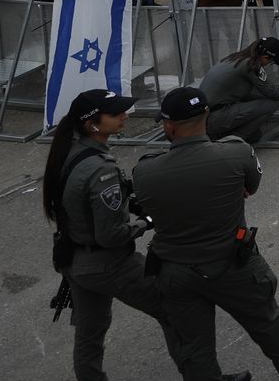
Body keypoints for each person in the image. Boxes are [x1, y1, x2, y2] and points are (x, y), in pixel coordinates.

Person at [133, 87, 279, 381]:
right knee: (265, 319)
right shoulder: (236, 152)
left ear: (168, 125)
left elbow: (146, 205)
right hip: (231, 262)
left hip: (176, 269)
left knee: (192, 342)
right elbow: (251, 186)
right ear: (207, 116)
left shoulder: (145, 172)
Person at [41, 89, 193, 381]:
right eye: (116, 113)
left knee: (90, 333)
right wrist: (145, 222)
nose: (124, 116)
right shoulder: (101, 170)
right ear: (92, 124)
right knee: (174, 311)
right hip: (110, 263)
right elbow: (112, 235)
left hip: (76, 262)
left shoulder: (69, 152)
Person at [199, 37, 279, 143]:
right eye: (271, 62)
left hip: (203, 117)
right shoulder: (251, 65)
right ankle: (233, 141)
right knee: (269, 106)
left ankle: (221, 135)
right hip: (214, 118)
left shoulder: (235, 58)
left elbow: (247, 94)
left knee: (254, 135)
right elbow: (270, 92)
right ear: (265, 57)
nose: (269, 65)